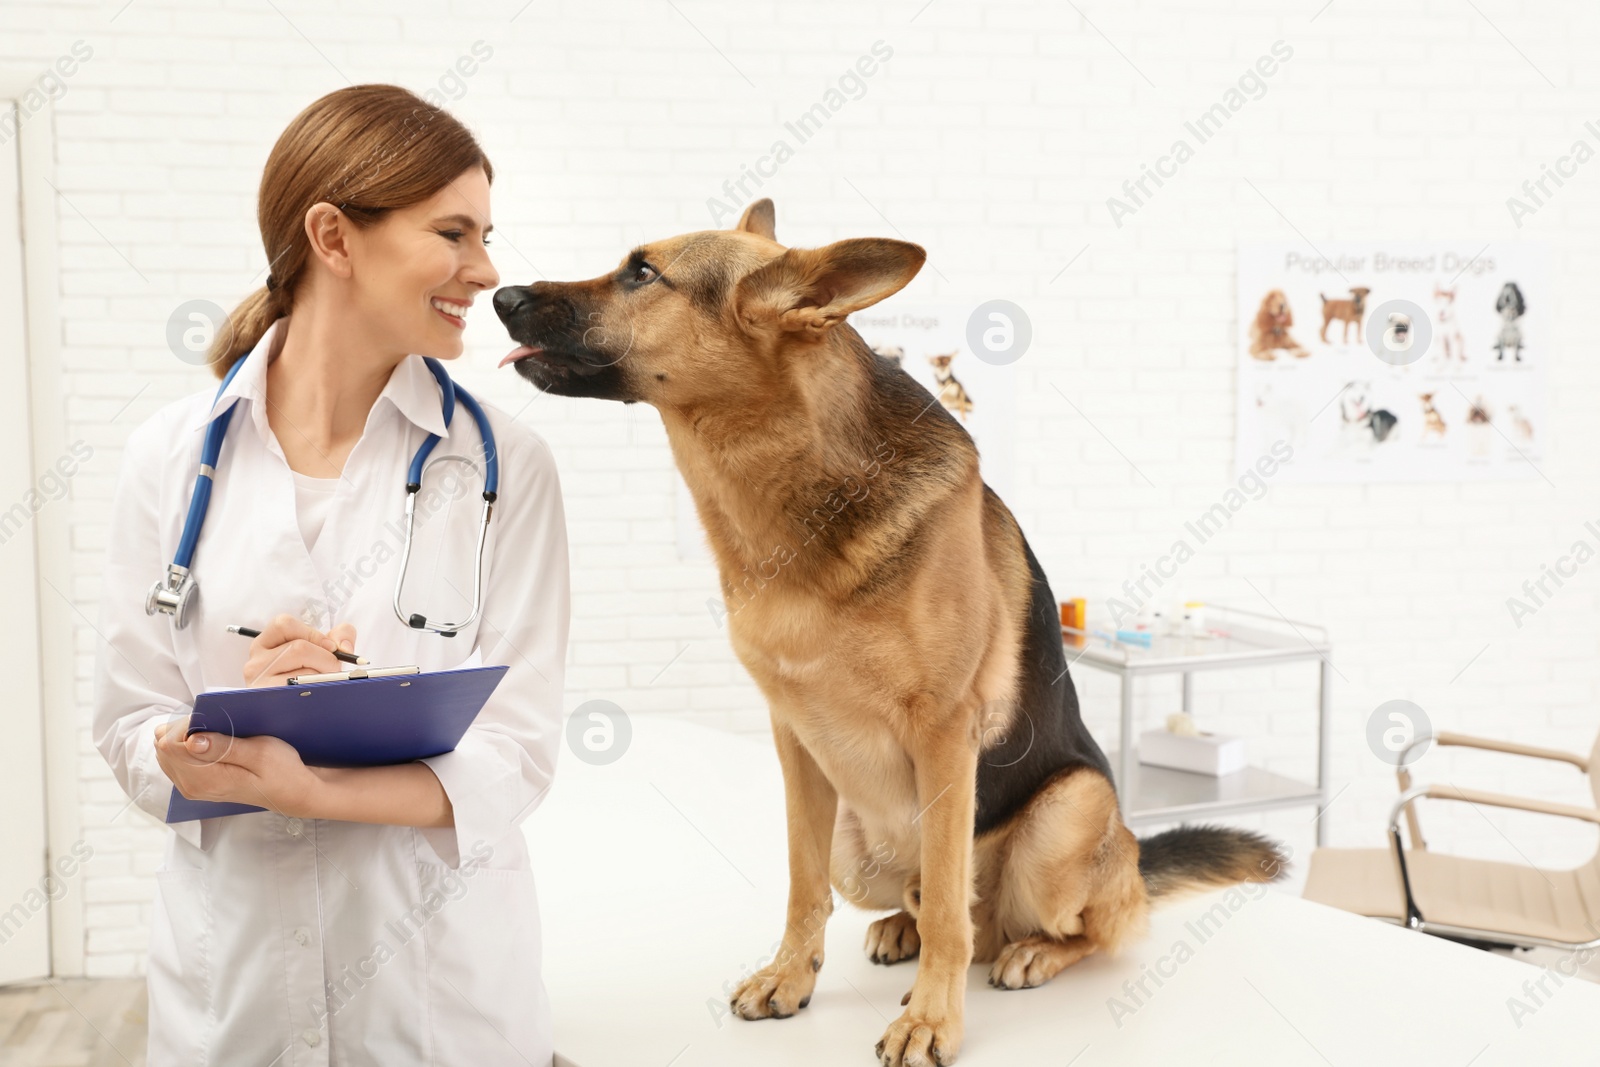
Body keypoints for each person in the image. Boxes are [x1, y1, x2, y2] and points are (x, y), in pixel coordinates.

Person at [91, 84, 569, 1065]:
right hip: (234, 999)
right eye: (453, 232)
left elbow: (515, 753)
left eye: (486, 235)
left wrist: (310, 788)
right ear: (334, 237)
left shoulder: (502, 466)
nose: (484, 270)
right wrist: (206, 734)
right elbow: (130, 728)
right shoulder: (168, 457)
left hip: (436, 999)